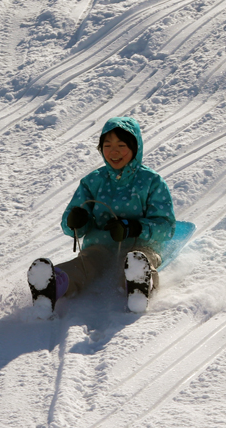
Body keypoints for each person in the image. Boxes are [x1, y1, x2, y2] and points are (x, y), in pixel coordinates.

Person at [28, 116, 176, 317]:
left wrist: (134, 228)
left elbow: (167, 227)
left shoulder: (151, 182)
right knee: (85, 265)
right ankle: (51, 286)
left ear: (135, 148)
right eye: (107, 145)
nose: (113, 151)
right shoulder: (93, 182)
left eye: (121, 145)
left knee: (139, 260)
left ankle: (138, 287)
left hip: (141, 246)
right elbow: (69, 225)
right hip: (101, 247)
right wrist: (76, 222)